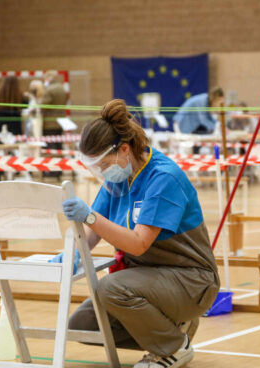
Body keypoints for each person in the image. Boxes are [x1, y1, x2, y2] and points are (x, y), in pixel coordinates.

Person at [53, 99, 219, 368]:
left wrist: (90, 216)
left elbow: (139, 243)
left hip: (191, 280)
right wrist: (71, 253)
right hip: (150, 277)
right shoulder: (119, 178)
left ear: (124, 150)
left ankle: (173, 348)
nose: (101, 173)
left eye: (103, 165)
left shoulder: (163, 178)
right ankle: (173, 327)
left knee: (111, 289)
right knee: (84, 324)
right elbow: (92, 231)